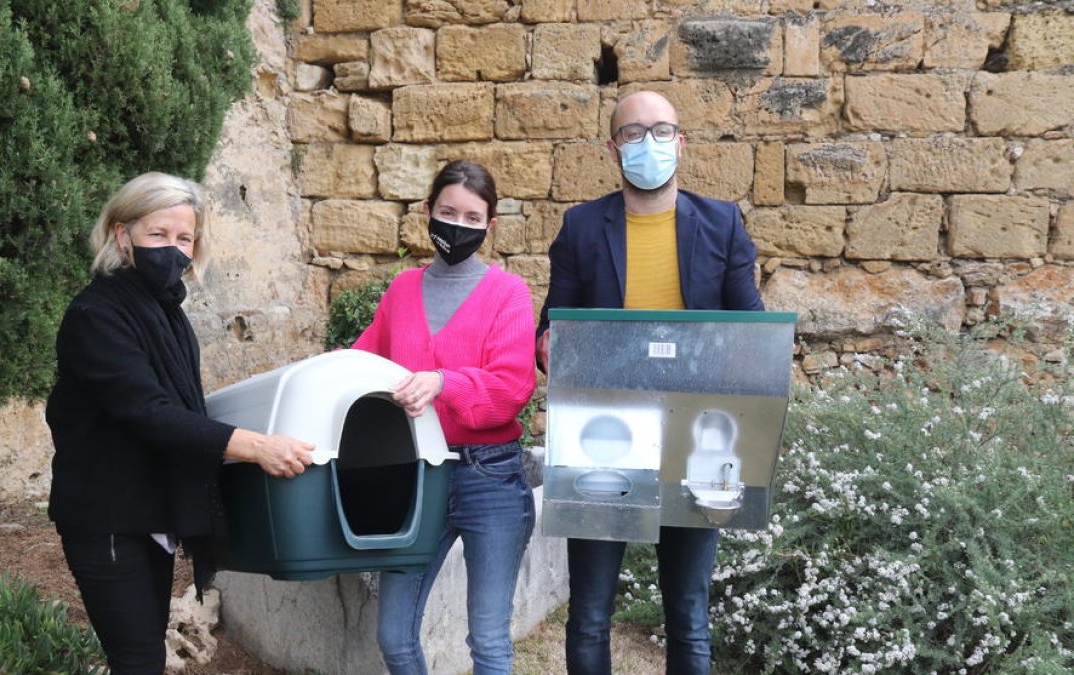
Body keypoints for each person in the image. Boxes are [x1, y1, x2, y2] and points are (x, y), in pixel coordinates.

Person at [46, 172, 316, 674]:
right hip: (107, 516)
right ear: (122, 235)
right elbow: (147, 411)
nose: (173, 249)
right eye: (158, 234)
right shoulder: (96, 314)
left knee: (146, 651)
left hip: (150, 510)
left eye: (184, 238)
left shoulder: (166, 312)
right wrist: (256, 446)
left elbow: (183, 408)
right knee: (138, 659)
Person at [536, 91, 765, 675]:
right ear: (612, 148)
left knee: (688, 613)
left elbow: (752, 332)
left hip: (697, 440)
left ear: (680, 142)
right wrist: (552, 348)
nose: (649, 143)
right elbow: (550, 333)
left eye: (661, 131)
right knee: (590, 612)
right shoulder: (582, 227)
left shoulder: (721, 223)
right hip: (604, 437)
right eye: (633, 133)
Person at [352, 160, 538, 674]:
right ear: (428, 212)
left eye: (472, 218)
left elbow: (512, 388)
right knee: (394, 636)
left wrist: (443, 382)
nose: (458, 225)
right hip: (415, 474)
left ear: (490, 225)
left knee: (489, 640)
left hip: (490, 477)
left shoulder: (508, 293)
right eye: (448, 212)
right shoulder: (402, 290)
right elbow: (362, 364)